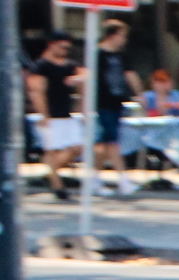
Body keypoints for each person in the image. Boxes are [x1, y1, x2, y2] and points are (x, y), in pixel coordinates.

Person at [26, 35, 81, 199]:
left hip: (66, 113)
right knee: (51, 150)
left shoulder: (70, 66)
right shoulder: (40, 66)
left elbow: (86, 74)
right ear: (51, 45)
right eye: (62, 47)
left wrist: (78, 79)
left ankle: (51, 173)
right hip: (49, 114)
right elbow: (36, 91)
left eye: (67, 48)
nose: (65, 51)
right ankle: (58, 187)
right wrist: (43, 114)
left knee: (76, 147)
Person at [89, 19, 135, 195]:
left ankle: (94, 179)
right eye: (122, 35)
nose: (124, 40)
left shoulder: (121, 55)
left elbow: (130, 74)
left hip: (117, 103)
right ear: (112, 35)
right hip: (102, 103)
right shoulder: (96, 55)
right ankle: (123, 180)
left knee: (103, 144)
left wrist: (139, 93)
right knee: (112, 142)